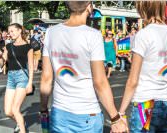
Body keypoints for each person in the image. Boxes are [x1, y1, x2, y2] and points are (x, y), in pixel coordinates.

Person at [40, 1, 127, 133]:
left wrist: (43, 108)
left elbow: (46, 77)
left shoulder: (51, 33)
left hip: (59, 112)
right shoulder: (93, 35)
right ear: (89, 7)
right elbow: (100, 82)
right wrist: (115, 118)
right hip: (87, 113)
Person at [119, 1, 167, 133]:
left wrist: (120, 113)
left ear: (144, 8)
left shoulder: (143, 35)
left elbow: (132, 81)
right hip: (166, 103)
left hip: (144, 105)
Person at [2, 23, 34, 133]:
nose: (10, 34)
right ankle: (21, 123)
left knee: (15, 109)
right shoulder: (8, 46)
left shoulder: (28, 47)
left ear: (20, 31)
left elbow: (30, 66)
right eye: (9, 32)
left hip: (22, 77)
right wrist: (2, 55)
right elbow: (4, 61)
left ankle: (23, 130)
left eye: (12, 31)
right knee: (8, 112)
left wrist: (30, 83)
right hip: (11, 77)